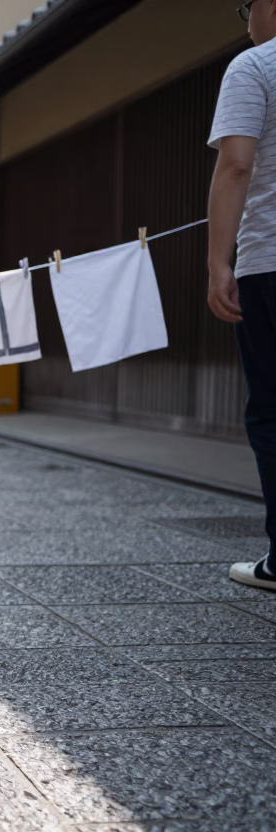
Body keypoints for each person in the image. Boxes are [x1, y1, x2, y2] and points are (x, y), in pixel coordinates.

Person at [210, 0, 276, 591]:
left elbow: (235, 166)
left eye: (245, 6)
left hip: (272, 264)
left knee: (273, 410)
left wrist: (217, 262)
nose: (245, 19)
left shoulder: (256, 66)